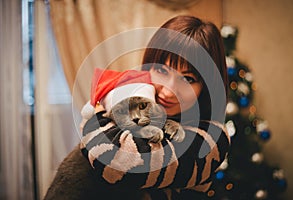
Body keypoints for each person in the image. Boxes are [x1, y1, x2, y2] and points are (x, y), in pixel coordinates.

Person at [44, 15, 230, 200]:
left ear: (207, 86)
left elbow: (118, 163)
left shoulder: (213, 137)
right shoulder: (138, 103)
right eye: (161, 70)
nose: (168, 91)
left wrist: (97, 114)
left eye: (188, 79)